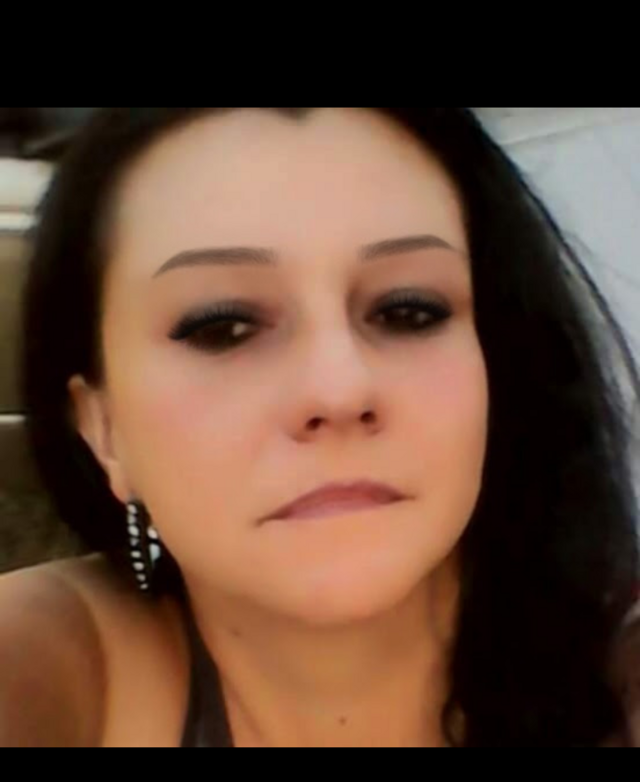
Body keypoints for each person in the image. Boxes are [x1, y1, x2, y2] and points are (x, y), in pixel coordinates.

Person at [4, 107, 640, 747]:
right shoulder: (55, 662)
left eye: (408, 311)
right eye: (223, 328)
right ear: (103, 427)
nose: (339, 389)